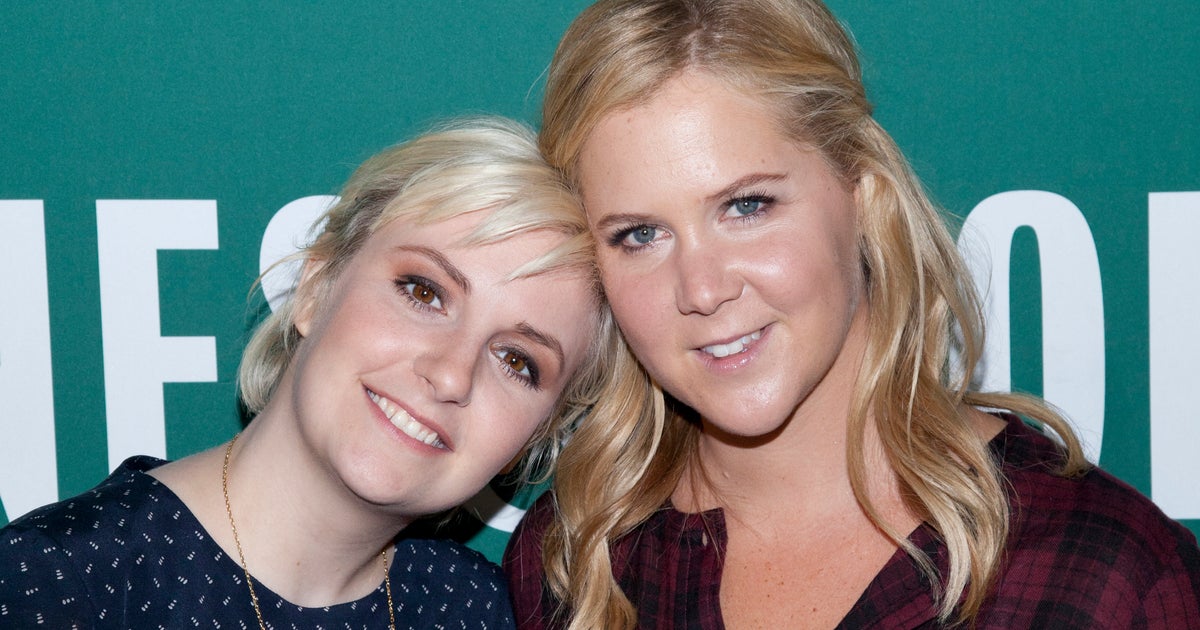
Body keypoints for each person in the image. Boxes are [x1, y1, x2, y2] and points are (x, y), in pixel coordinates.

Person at [502, 1, 1200, 628]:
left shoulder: (1103, 576)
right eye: (640, 235)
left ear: (862, 194)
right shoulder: (572, 564)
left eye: (746, 206)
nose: (703, 290)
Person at [0, 117, 623, 629]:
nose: (451, 375)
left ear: (541, 434)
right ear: (316, 287)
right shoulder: (51, 583)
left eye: (517, 361)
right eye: (424, 292)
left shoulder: (479, 612)